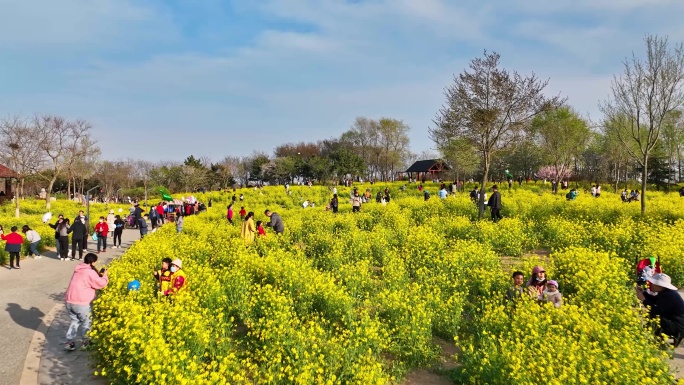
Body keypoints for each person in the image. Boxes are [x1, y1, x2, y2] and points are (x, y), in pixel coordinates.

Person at [64, 253, 108, 351]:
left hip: (69, 301)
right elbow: (100, 283)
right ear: (93, 262)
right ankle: (86, 342)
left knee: (75, 321)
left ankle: (69, 342)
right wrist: (105, 276)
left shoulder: (78, 270)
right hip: (81, 302)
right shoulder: (89, 272)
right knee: (86, 322)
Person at [635, 273, 684, 343]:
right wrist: (643, 293)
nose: (651, 285)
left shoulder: (668, 295)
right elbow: (655, 300)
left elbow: (656, 311)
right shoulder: (667, 292)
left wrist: (644, 300)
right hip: (677, 325)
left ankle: (658, 340)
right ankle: (656, 339)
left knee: (653, 316)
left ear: (660, 285)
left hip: (678, 328)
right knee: (654, 316)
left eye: (654, 283)